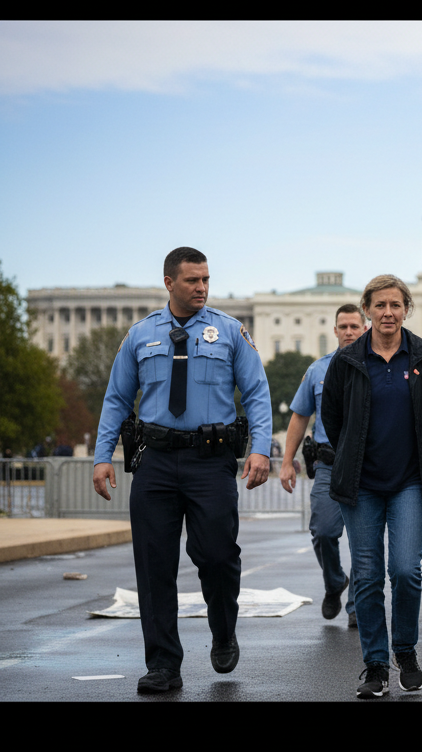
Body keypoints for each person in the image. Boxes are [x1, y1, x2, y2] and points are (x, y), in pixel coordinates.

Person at [92, 247, 272, 694]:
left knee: (216, 556)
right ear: (169, 282)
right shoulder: (140, 335)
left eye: (206, 279)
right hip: (153, 462)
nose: (202, 288)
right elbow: (117, 399)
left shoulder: (229, 332)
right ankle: (163, 664)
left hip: (210, 462)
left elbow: (257, 394)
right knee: (154, 566)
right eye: (192, 280)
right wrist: (101, 456)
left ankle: (223, 629)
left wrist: (261, 450)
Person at [320, 275, 422, 699]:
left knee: (406, 571)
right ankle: (375, 664)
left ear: (406, 309)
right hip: (362, 484)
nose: (388, 313)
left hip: (410, 482)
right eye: (380, 306)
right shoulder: (347, 361)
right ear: (367, 310)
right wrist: (352, 457)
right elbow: (333, 418)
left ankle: (406, 651)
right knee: (369, 575)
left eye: (395, 305)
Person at [279, 304, 365, 626]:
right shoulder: (317, 370)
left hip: (368, 465)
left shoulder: (377, 366)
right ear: (335, 330)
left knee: (364, 539)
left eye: (354, 326)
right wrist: (287, 461)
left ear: (364, 328)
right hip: (329, 463)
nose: (348, 332)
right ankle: (334, 582)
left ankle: (358, 605)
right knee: (324, 531)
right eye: (343, 326)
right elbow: (300, 416)